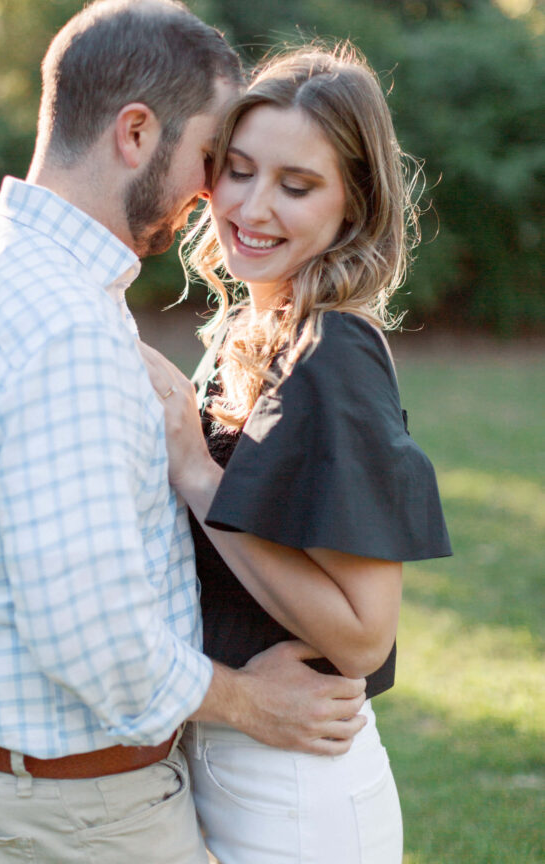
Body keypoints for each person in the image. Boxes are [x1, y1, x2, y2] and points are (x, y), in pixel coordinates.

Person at [0, 0, 370, 864]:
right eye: (207, 155)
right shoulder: (63, 322)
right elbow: (92, 636)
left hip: (18, 787)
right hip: (76, 816)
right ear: (136, 133)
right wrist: (249, 702)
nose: (207, 192)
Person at [140, 42, 452, 864]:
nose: (252, 206)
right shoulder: (258, 330)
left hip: (294, 795)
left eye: (296, 185)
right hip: (239, 761)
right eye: (237, 170)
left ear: (352, 204)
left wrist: (195, 473)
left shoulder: (331, 356)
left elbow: (362, 638)